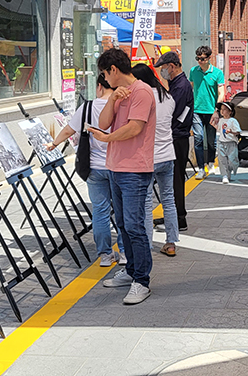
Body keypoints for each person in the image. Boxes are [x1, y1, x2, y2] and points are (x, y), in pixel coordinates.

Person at [90, 48, 156, 305]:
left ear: (114, 70)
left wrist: (107, 139)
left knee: (134, 226)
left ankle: (142, 280)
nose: (105, 79)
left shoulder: (142, 91)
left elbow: (134, 127)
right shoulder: (118, 93)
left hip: (135, 169)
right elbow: (105, 122)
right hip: (115, 167)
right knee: (123, 225)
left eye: (105, 73)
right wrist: (111, 99)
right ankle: (131, 273)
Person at [46, 74, 124, 267]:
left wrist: (54, 144)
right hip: (118, 166)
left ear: (99, 86)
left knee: (100, 211)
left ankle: (105, 255)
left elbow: (68, 130)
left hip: (94, 168)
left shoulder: (87, 107)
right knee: (122, 211)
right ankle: (123, 252)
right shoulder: (120, 105)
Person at [131, 64, 180, 257]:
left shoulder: (141, 97)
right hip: (168, 155)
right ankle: (171, 242)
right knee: (168, 199)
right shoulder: (167, 97)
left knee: (146, 202)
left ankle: (147, 244)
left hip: (148, 157)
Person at [153, 51, 192, 231]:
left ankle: (179, 218)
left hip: (177, 137)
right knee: (173, 180)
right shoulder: (176, 84)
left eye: (163, 68)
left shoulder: (181, 86)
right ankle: (173, 215)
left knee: (175, 179)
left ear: (172, 66)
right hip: (177, 136)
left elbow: (173, 113)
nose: (162, 71)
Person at [189, 46, 225, 178]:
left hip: (211, 111)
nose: (200, 61)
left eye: (203, 59)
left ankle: (210, 163)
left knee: (211, 141)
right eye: (198, 58)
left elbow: (221, 93)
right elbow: (190, 88)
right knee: (198, 138)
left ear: (209, 58)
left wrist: (217, 110)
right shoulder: (193, 71)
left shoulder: (217, 73)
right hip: (197, 110)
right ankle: (200, 168)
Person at [215, 102, 241, 184]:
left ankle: (230, 170)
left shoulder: (233, 121)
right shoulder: (221, 120)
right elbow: (219, 129)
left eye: (224, 110)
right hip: (221, 142)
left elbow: (238, 132)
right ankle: (224, 175)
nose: (222, 111)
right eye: (221, 110)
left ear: (230, 111)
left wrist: (231, 131)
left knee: (232, 160)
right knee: (222, 160)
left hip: (231, 143)